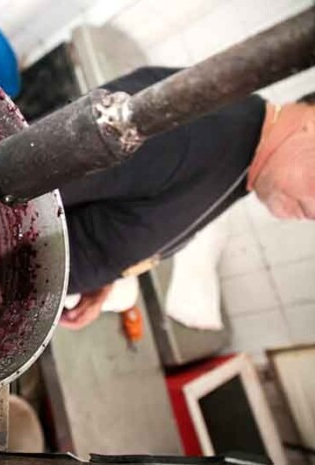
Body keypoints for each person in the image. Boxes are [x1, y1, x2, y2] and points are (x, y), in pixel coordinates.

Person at [59, 67, 315, 330]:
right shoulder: (201, 128)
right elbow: (47, 176)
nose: (313, 213)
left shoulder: (247, 162)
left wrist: (104, 276)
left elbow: (126, 209)